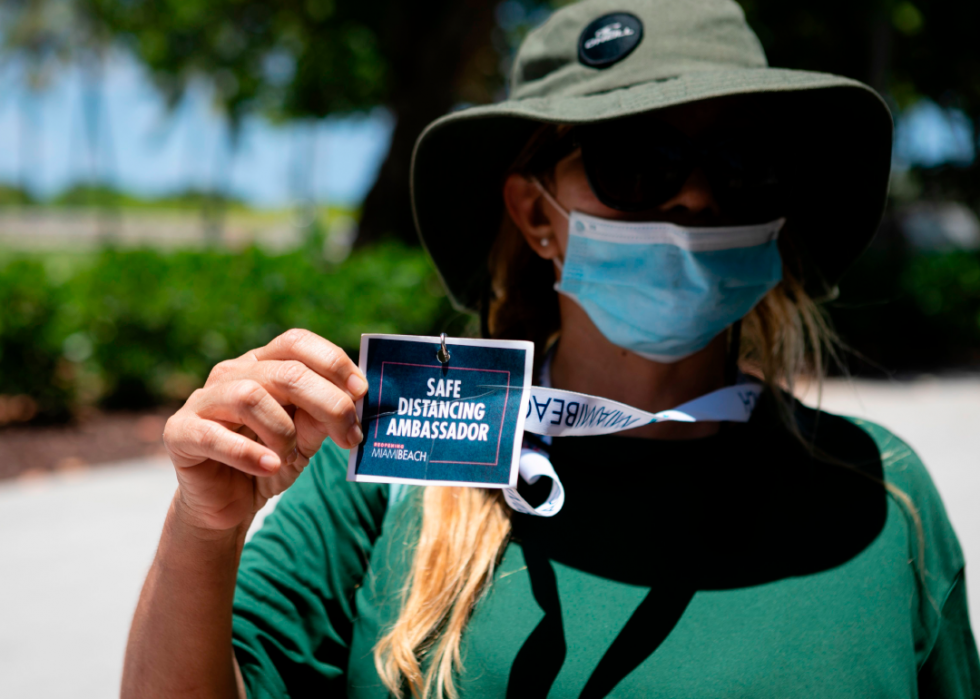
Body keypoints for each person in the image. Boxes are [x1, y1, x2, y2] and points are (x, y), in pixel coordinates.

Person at [122, 0, 980, 697]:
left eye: (741, 160)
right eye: (640, 160)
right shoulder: (386, 480)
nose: (694, 195)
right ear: (537, 216)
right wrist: (205, 528)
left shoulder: (881, 494)